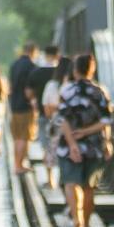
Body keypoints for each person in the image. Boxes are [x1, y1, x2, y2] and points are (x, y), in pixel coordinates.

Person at [56, 52, 112, 227]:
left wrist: (72, 143)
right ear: (92, 69)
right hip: (93, 146)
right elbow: (106, 120)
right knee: (89, 187)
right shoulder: (100, 91)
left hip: (68, 146)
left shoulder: (66, 91)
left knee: (71, 183)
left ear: (75, 70)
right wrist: (94, 136)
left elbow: (62, 120)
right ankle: (86, 226)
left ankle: (76, 221)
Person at [7, 42, 39, 168]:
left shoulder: (14, 64)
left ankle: (17, 163)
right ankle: (19, 165)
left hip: (14, 105)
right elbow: (29, 92)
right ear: (33, 51)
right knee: (24, 137)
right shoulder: (32, 66)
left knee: (17, 137)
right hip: (26, 106)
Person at [38, 46, 65, 189]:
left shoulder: (52, 85)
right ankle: (64, 179)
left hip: (55, 124)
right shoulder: (73, 86)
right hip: (75, 128)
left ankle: (50, 180)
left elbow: (47, 109)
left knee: (49, 151)